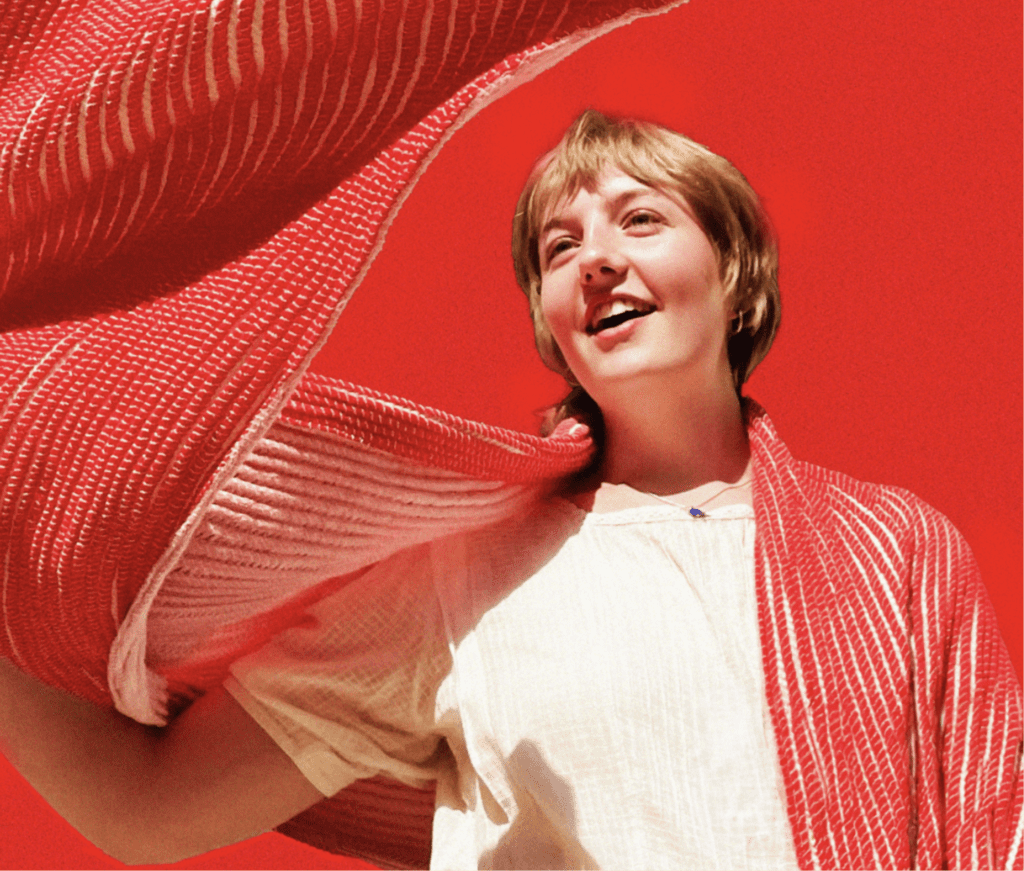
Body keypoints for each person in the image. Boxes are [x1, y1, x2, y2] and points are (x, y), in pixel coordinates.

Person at [0, 110, 1020, 870]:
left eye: (641, 219)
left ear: (735, 272)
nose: (597, 260)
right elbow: (143, 805)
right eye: (559, 248)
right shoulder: (463, 579)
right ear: (550, 320)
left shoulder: (896, 547)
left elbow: (994, 829)